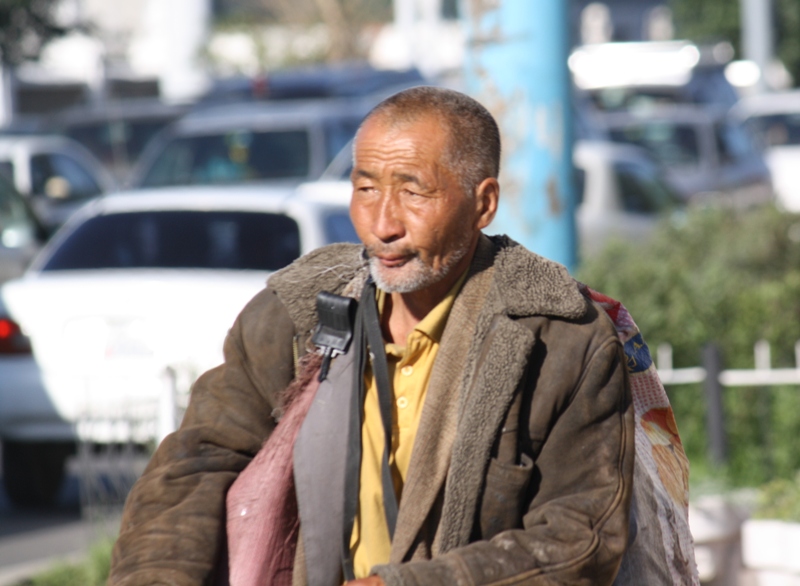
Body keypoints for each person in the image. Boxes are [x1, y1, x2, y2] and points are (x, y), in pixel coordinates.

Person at [109, 86, 634, 585]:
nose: (382, 224)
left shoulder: (563, 341)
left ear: (484, 204)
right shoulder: (294, 316)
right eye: (365, 189)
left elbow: (579, 540)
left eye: (413, 191)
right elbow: (196, 463)